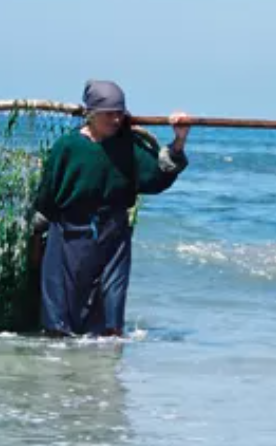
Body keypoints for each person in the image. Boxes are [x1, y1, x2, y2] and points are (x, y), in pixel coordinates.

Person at [32, 80, 190, 337]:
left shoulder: (129, 145)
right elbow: (47, 194)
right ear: (91, 114)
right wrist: (37, 231)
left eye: (120, 113)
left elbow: (158, 177)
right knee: (61, 319)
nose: (116, 120)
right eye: (109, 114)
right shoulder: (67, 146)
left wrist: (179, 140)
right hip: (69, 234)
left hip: (114, 235)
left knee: (110, 320)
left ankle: (107, 358)